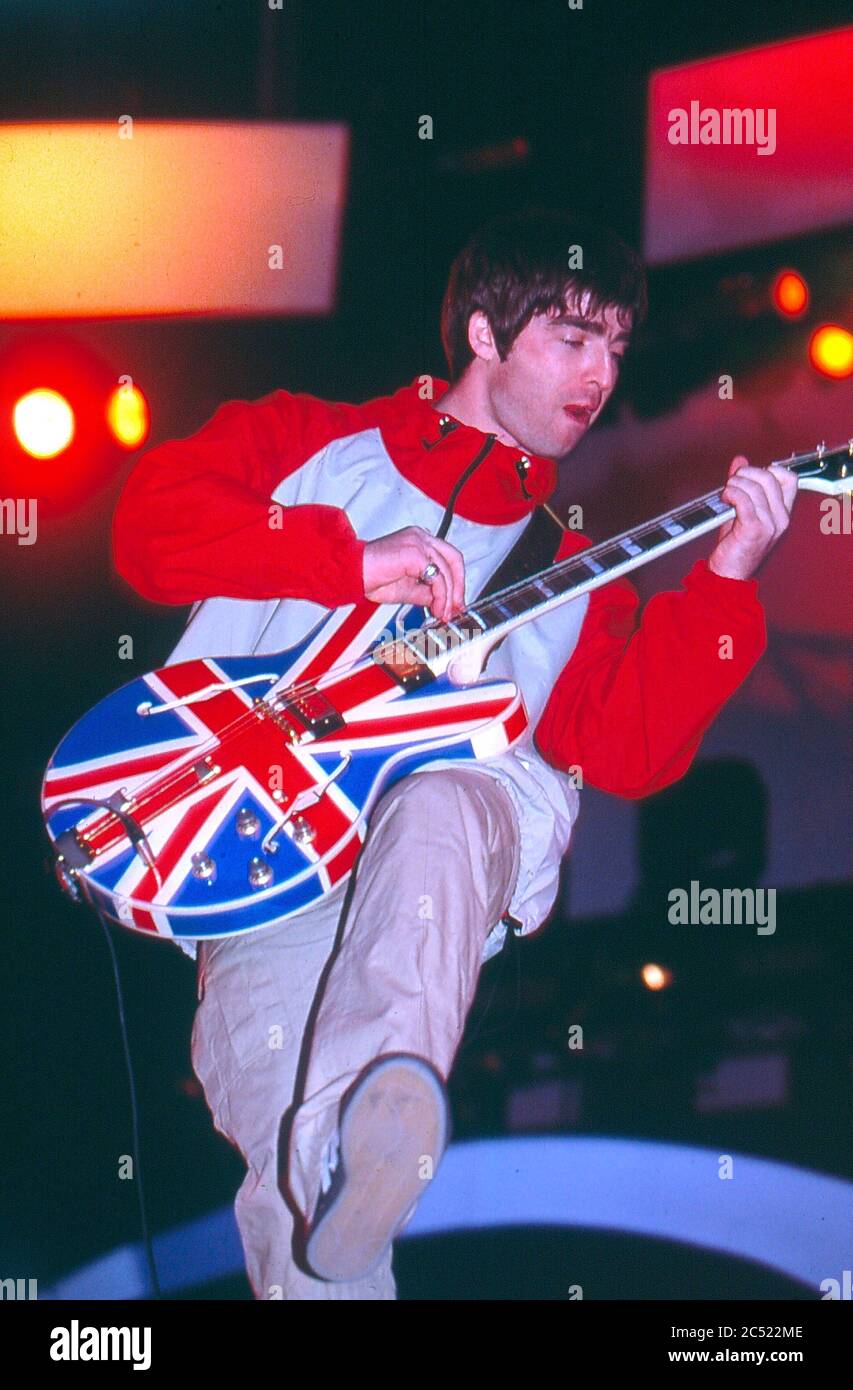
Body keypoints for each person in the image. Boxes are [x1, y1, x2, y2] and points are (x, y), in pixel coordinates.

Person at [112, 208, 797, 1299]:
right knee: (308, 1226)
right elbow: (149, 526)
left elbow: (624, 749)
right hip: (256, 862)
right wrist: (345, 555)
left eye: (617, 349)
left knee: (448, 792)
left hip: (438, 858)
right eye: (574, 338)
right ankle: (343, 1159)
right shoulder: (312, 440)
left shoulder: (580, 568)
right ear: (483, 334)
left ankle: (362, 1120)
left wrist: (725, 581)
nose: (600, 374)